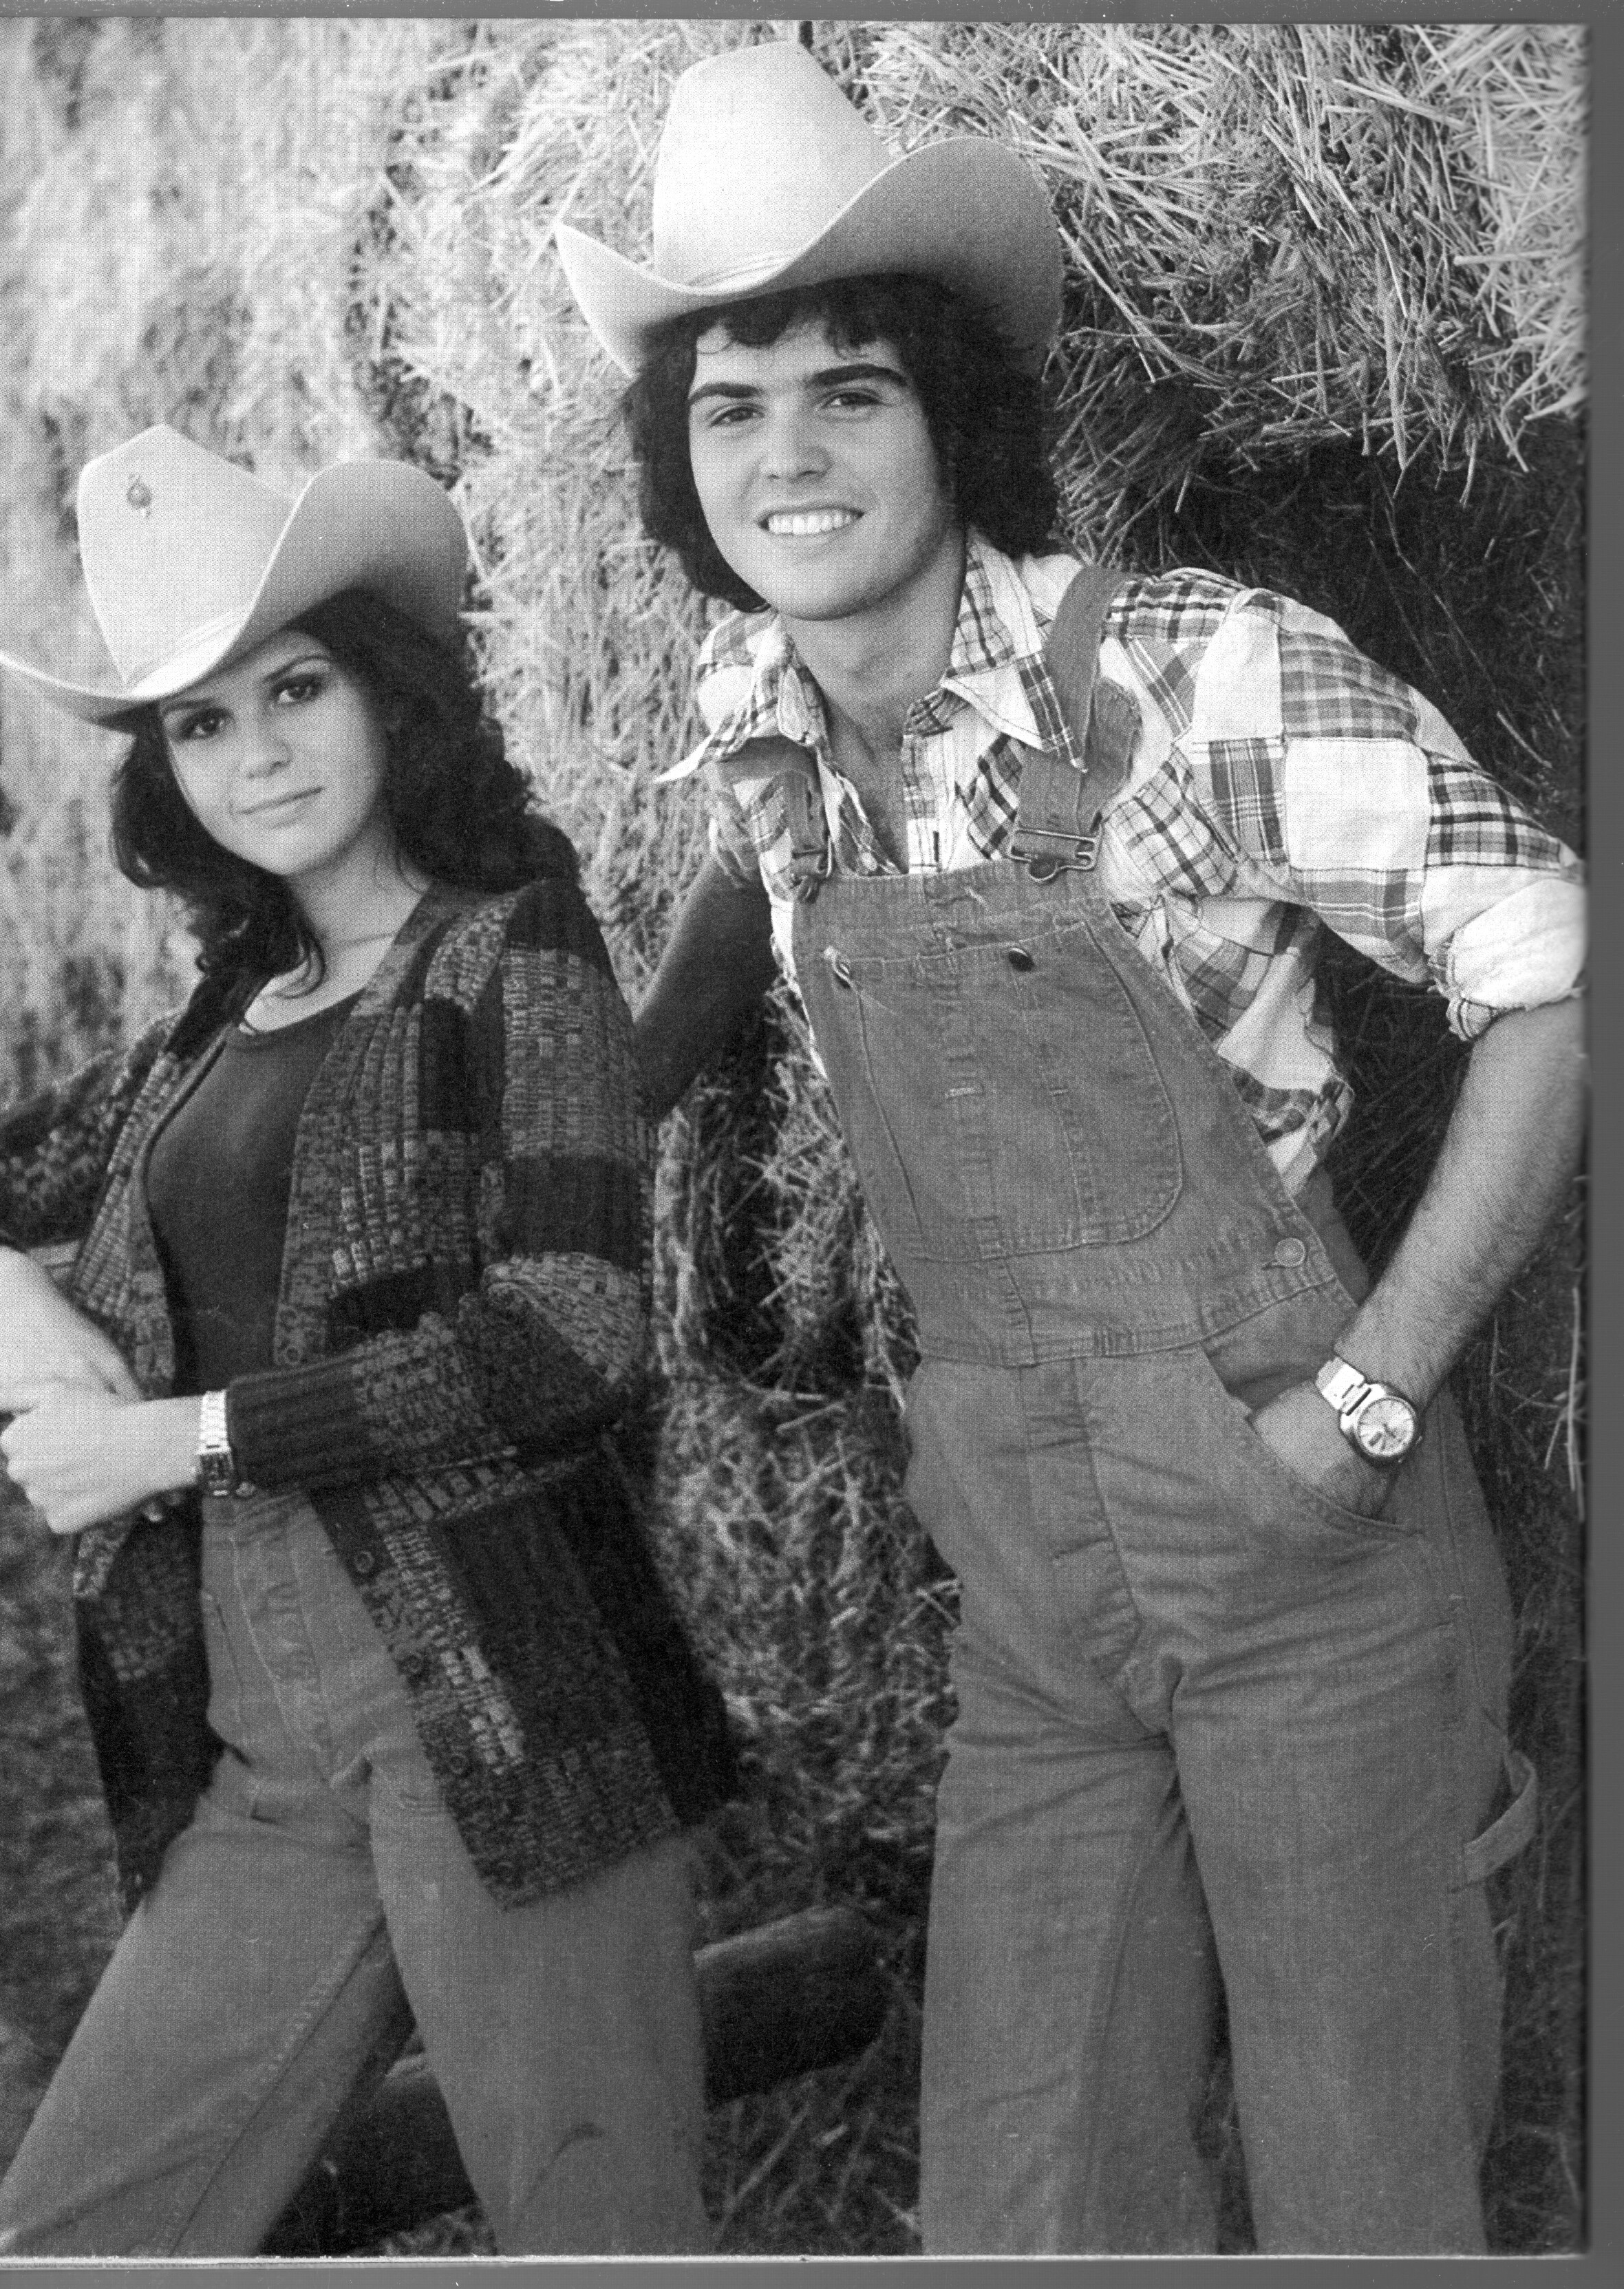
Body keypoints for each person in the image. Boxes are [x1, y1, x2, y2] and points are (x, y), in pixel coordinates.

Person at [553, 39, 1588, 2257]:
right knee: (1021, 2200)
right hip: (1021, 1567)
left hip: (1288, 1529)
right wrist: (616, 1087)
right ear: (678, 462)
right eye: (730, 407)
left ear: (951, 417)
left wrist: (1366, 1396)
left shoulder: (1191, 678)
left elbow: (1546, 969)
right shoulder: (752, 718)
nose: (785, 455)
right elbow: (757, 892)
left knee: (1359, 2192)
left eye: (847, 391)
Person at [0, 425, 738, 2257]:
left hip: (509, 1700)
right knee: (67, 2244)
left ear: (389, 696)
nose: (260, 754)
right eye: (202, 724)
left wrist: (181, 1437)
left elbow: (575, 1327)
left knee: (600, 2235)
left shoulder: (508, 951)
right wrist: (3, 1288)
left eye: (296, 690)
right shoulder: (214, 1024)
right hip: (259, 1741)